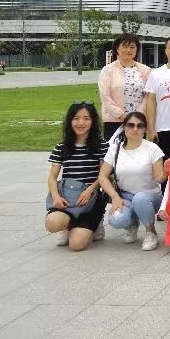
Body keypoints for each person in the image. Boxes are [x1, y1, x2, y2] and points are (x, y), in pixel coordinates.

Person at [45, 101, 109, 251]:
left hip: (90, 198)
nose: (81, 123)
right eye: (76, 118)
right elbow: (52, 177)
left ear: (93, 122)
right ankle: (67, 225)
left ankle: (95, 222)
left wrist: (90, 190)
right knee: (52, 223)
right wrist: (56, 197)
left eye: (86, 118)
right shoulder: (61, 147)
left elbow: (104, 175)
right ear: (70, 121)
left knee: (76, 245)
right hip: (68, 197)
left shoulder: (102, 146)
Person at [99, 111, 166, 251]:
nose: (135, 129)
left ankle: (151, 232)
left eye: (140, 126)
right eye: (131, 125)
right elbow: (102, 176)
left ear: (145, 129)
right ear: (124, 127)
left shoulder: (152, 148)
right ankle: (132, 223)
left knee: (140, 198)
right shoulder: (115, 149)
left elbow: (159, 179)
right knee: (116, 219)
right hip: (126, 197)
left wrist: (165, 170)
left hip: (150, 197)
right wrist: (115, 197)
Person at [98, 33, 151, 138]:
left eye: (132, 47)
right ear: (117, 49)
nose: (128, 50)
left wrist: (136, 117)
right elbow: (105, 97)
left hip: (138, 123)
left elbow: (148, 96)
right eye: (125, 46)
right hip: (114, 121)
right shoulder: (108, 70)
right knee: (115, 148)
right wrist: (122, 116)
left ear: (136, 49)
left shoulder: (145, 70)